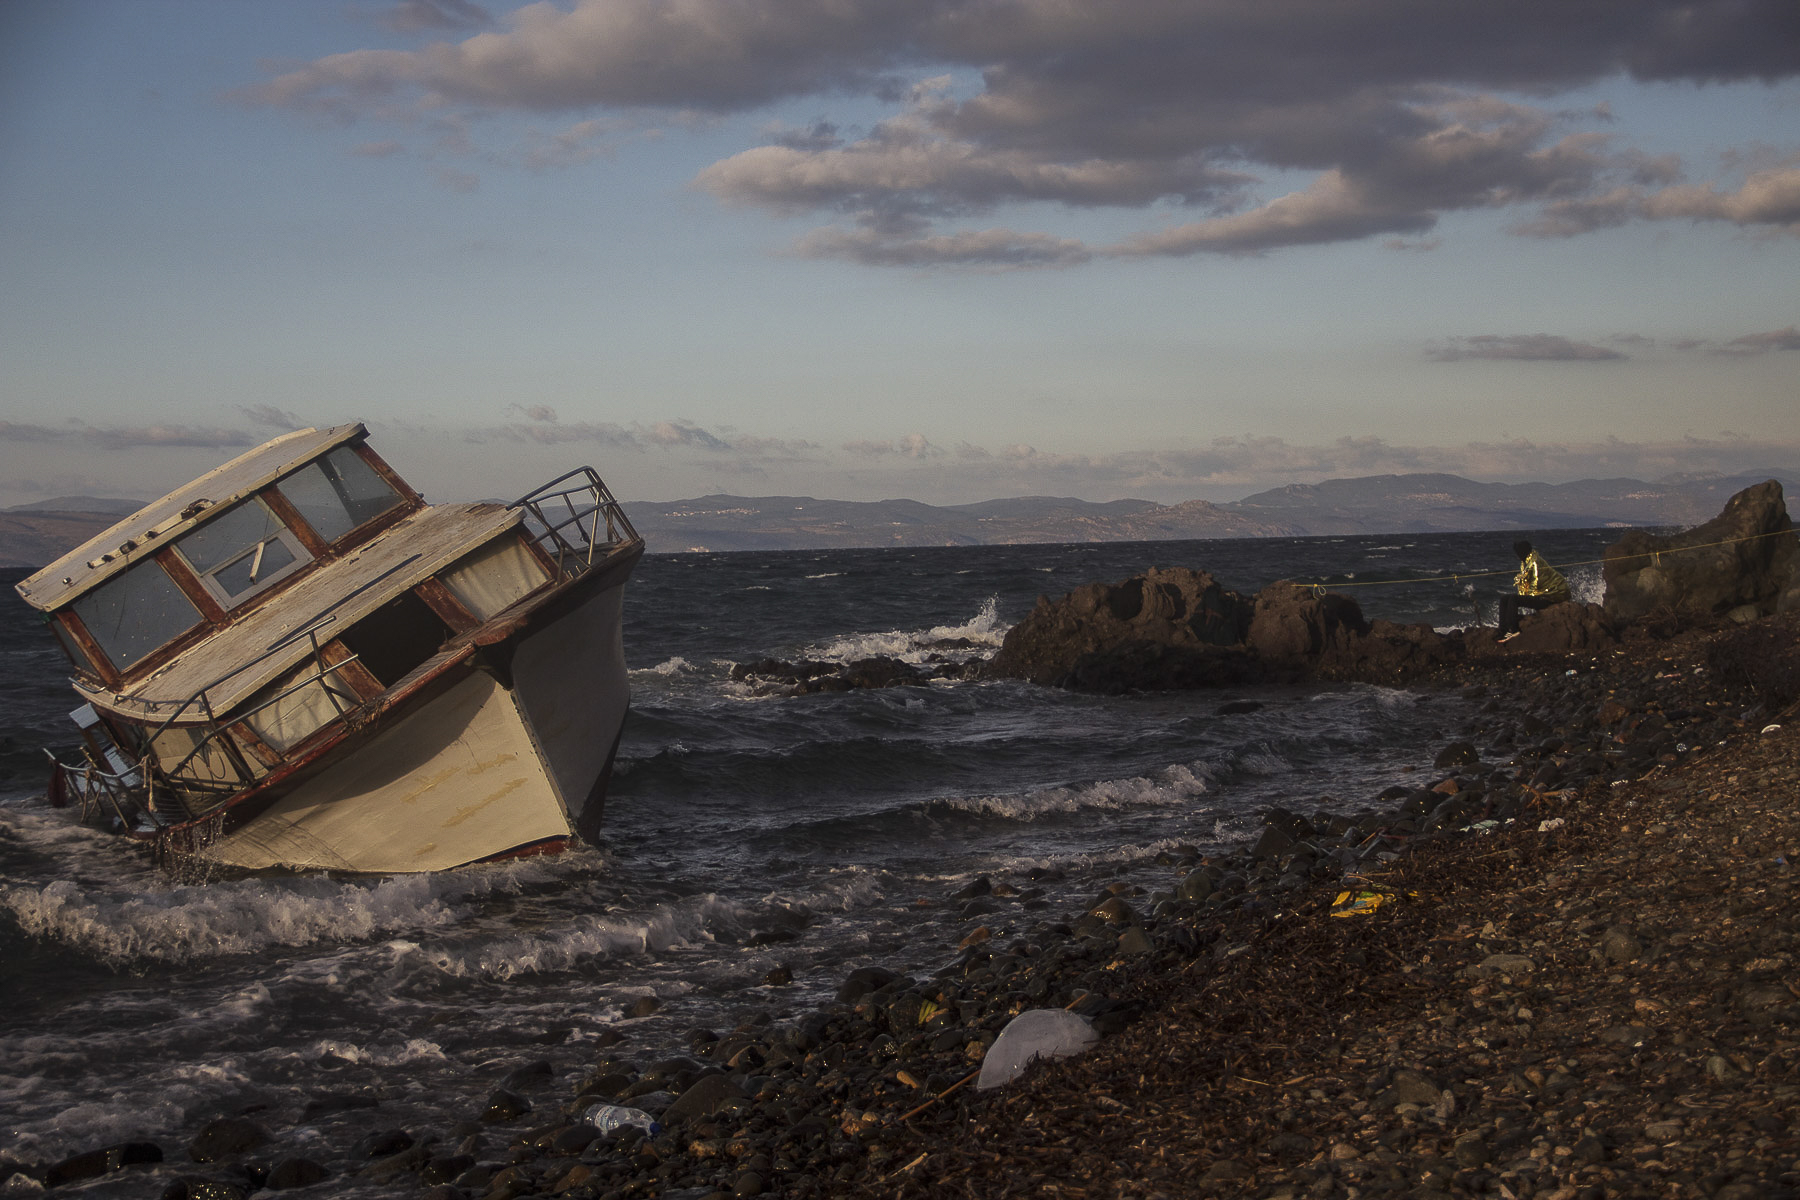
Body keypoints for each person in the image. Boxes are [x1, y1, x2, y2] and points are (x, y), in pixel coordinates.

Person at [1498, 539, 1569, 641]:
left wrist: (1525, 597)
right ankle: (1502, 630)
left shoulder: (1535, 563)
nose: (1516, 556)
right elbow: (1526, 583)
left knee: (1513, 599)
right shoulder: (1526, 562)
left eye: (1517, 553)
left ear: (1522, 553)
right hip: (1541, 594)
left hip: (1550, 597)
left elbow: (1536, 583)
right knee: (1504, 599)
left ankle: (1513, 630)